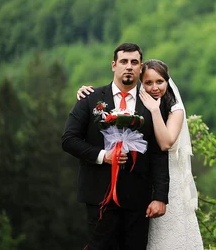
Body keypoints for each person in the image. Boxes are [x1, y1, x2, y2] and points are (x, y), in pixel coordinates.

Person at [77, 58, 204, 249]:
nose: (154, 87)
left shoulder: (172, 108)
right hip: (144, 186)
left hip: (168, 183)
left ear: (167, 81)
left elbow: (165, 143)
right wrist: (87, 92)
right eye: (148, 82)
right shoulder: (141, 103)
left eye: (159, 82)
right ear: (141, 84)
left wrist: (154, 110)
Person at [62, 43, 169, 250]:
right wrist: (103, 155)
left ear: (140, 68)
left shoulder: (151, 104)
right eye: (124, 61)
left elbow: (158, 153)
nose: (129, 67)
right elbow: (69, 140)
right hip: (99, 195)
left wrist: (160, 197)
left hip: (138, 200)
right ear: (114, 65)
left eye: (134, 62)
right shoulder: (90, 99)